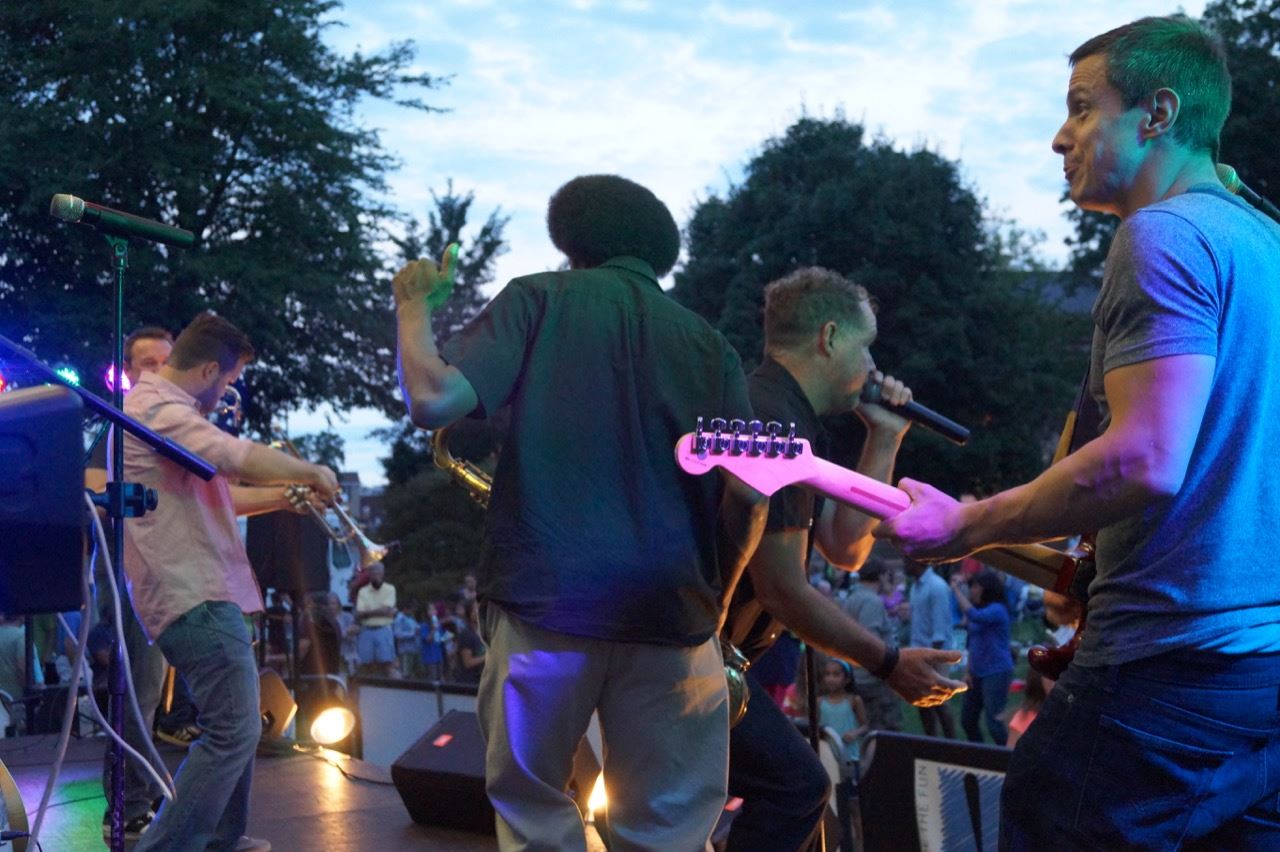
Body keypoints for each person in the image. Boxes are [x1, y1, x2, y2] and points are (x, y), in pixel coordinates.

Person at [876, 15, 1280, 847]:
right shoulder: (1263, 239)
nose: (1060, 138)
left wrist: (965, 524)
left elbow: (1142, 458)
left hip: (1171, 665)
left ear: (1157, 114)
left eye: (1082, 108)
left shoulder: (1164, 234)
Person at [394, 173, 765, 850]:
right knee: (669, 830)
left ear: (570, 241)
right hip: (674, 621)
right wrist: (716, 603)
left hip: (544, 610)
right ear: (661, 251)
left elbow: (434, 400)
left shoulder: (538, 299)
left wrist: (412, 305)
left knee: (536, 815)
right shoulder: (711, 346)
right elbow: (747, 496)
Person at [720, 266, 965, 851]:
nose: (874, 370)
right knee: (794, 788)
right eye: (866, 347)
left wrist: (884, 438)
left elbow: (845, 550)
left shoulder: (787, 413)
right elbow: (781, 587)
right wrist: (887, 661)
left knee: (786, 789)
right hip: (692, 659)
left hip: (715, 659)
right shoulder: (770, 418)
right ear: (829, 338)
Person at [121, 312, 338, 852]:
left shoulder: (163, 411)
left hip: (205, 590)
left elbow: (218, 494)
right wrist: (308, 470)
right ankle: (169, 847)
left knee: (233, 727)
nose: (228, 391)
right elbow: (232, 457)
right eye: (229, 379)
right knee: (234, 730)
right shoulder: (157, 408)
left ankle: (221, 839)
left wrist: (289, 494)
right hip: (192, 592)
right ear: (210, 369)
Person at [84, 325, 177, 841]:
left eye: (167, 361)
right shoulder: (118, 425)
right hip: (129, 578)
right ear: (129, 371)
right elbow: (93, 487)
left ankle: (148, 797)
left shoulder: (178, 424)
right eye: (148, 363)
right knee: (135, 696)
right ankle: (128, 805)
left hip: (170, 574)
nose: (159, 371)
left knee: (150, 698)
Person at [839, 558, 902, 733]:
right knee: (885, 731)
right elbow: (870, 640)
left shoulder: (854, 597)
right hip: (874, 678)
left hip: (860, 674)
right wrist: (884, 670)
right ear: (881, 577)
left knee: (871, 729)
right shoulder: (871, 601)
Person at [951, 571, 1012, 745]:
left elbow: (974, 616)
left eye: (975, 586)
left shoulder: (998, 610)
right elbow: (973, 645)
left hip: (996, 671)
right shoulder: (981, 610)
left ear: (986, 588)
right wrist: (967, 672)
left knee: (994, 723)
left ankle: (1008, 758)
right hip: (976, 673)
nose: (972, 590)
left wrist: (956, 589)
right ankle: (980, 756)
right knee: (968, 720)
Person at [905, 558, 957, 738]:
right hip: (918, 653)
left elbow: (940, 630)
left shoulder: (937, 587)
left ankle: (952, 745)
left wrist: (932, 660)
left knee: (941, 701)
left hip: (935, 655)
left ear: (918, 562)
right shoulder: (915, 587)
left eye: (907, 559)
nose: (905, 563)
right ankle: (931, 741)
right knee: (922, 701)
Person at [817, 657, 868, 763]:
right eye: (827, 674)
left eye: (836, 675)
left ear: (847, 679)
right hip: (827, 753)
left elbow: (865, 726)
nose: (831, 679)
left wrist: (854, 733)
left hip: (850, 754)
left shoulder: (853, 700)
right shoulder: (820, 701)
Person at [354, 561, 397, 678]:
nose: (375, 574)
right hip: (366, 630)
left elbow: (387, 609)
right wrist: (382, 611)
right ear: (369, 573)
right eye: (372, 571)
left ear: (382, 573)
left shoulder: (390, 589)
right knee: (366, 664)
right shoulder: (363, 591)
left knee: (387, 664)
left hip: (383, 629)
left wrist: (368, 612)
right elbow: (359, 613)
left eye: (378, 571)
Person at [392, 604, 420, 678]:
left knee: (413, 673)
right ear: (405, 609)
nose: (412, 611)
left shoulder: (411, 618)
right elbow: (397, 634)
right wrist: (412, 634)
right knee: (406, 673)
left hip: (414, 649)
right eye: (411, 610)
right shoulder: (399, 619)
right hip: (405, 650)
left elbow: (416, 628)